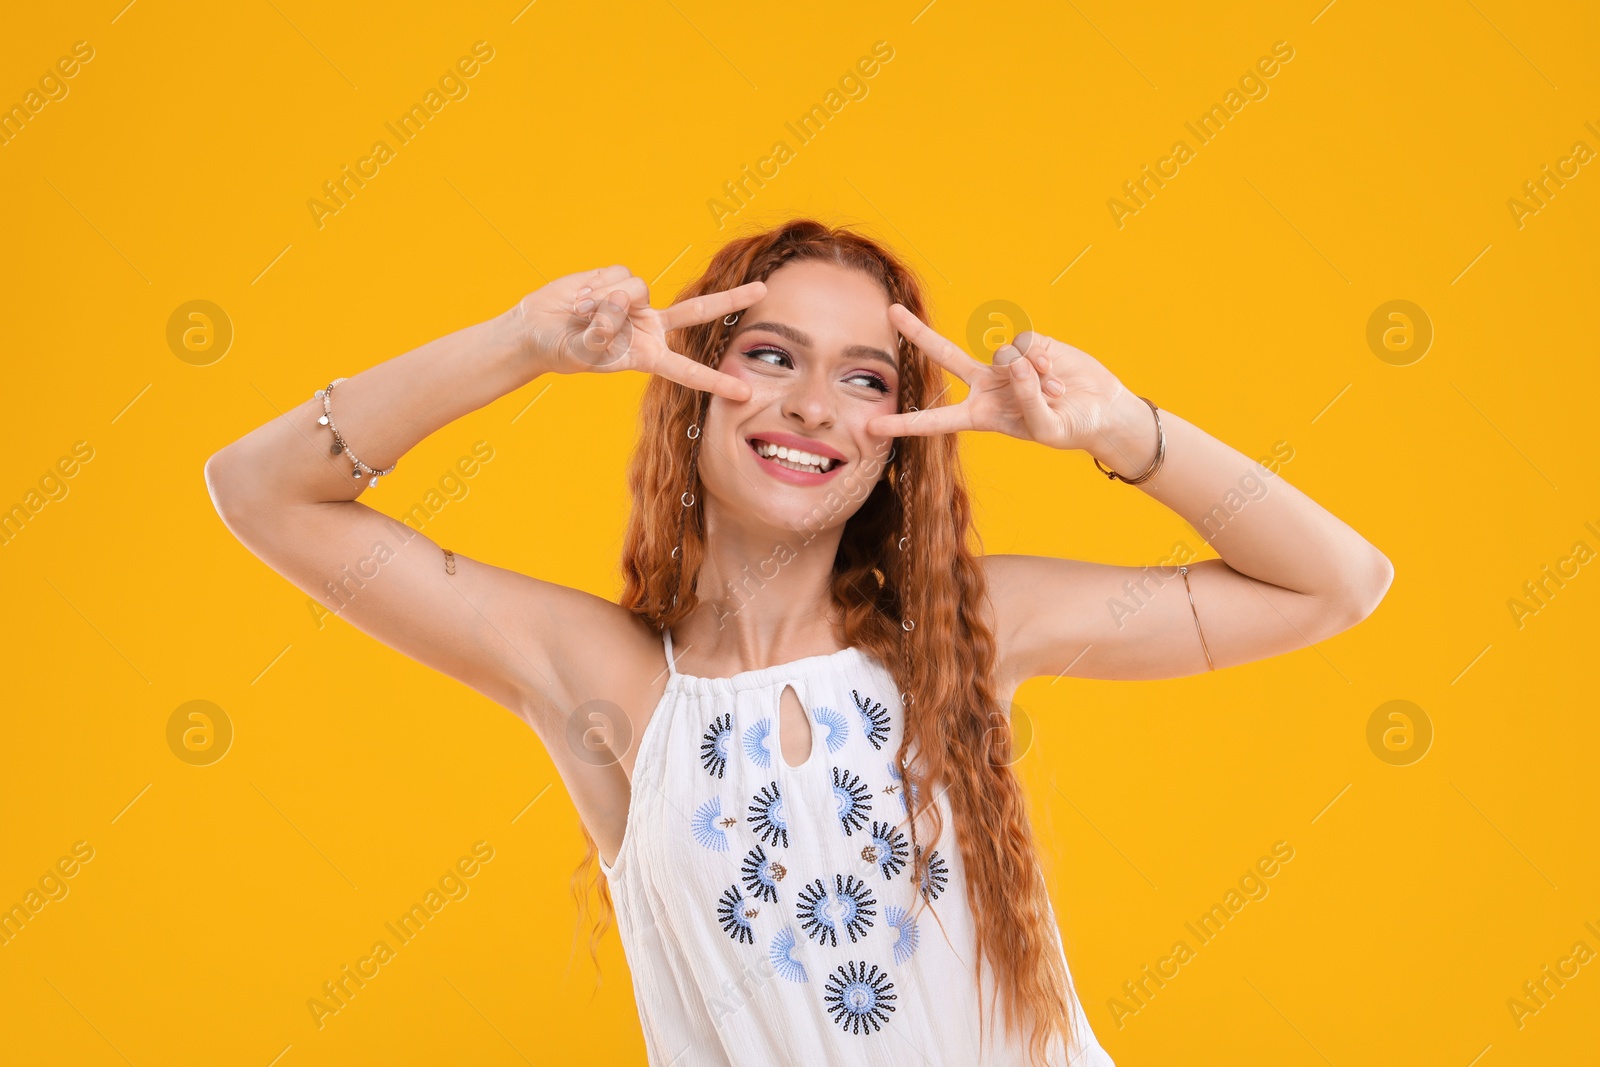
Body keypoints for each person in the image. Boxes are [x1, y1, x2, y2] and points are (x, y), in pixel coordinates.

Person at [206, 218, 1392, 1065]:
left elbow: (1337, 583)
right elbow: (262, 493)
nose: (815, 406)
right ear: (694, 384)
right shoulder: (609, 683)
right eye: (771, 355)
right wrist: (523, 344)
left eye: (864, 378)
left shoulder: (962, 634)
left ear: (896, 437)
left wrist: (1121, 428)